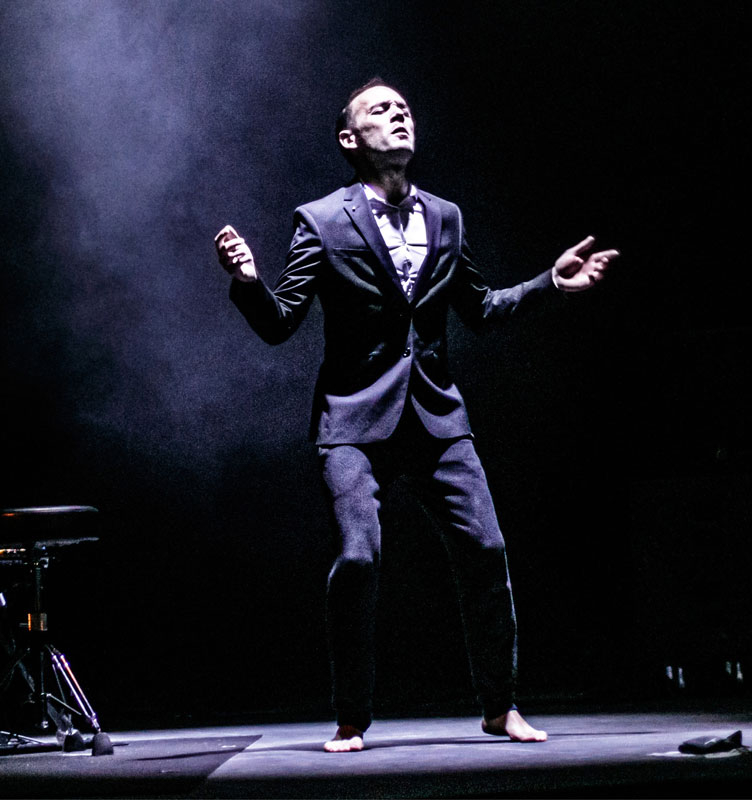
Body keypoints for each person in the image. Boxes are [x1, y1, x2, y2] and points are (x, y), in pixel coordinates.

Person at [214, 79, 616, 753]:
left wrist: (551, 284)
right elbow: (281, 323)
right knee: (360, 557)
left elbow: (480, 308)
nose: (399, 114)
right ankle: (351, 716)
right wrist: (248, 280)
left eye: (404, 108)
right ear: (350, 139)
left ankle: (499, 707)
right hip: (353, 424)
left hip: (436, 418)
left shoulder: (447, 217)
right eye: (380, 109)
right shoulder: (321, 220)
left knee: (486, 551)